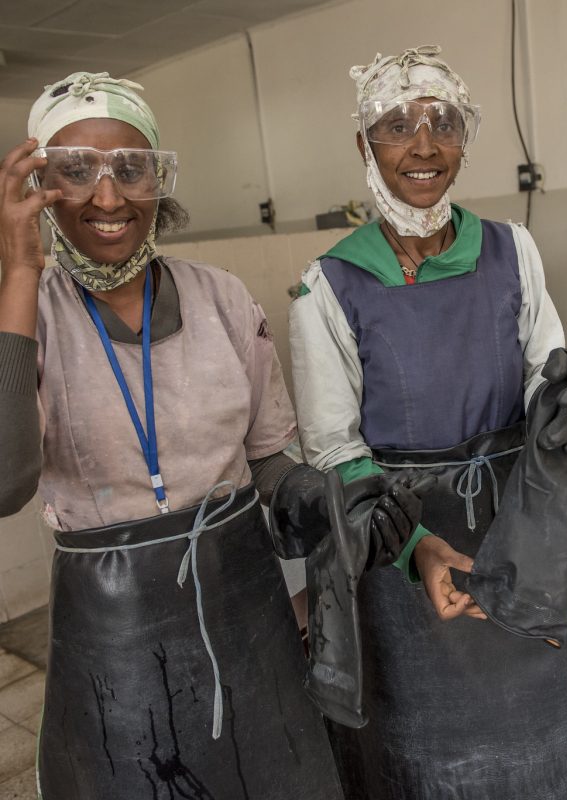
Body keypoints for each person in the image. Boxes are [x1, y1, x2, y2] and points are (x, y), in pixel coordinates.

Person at [0, 71, 423, 800]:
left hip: (248, 617)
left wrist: (329, 501)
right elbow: (4, 482)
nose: (108, 197)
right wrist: (17, 268)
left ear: (157, 181)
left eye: (131, 169)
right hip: (115, 646)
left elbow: (267, 461)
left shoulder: (221, 298)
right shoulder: (27, 317)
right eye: (75, 172)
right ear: (43, 187)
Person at [289, 46, 567, 799]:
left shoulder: (513, 249)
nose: (424, 145)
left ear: (465, 140)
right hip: (402, 547)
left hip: (518, 532)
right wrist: (412, 553)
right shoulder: (328, 287)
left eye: (443, 123)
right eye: (396, 126)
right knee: (426, 754)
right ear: (365, 148)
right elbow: (337, 451)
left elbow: (543, 374)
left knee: (540, 734)